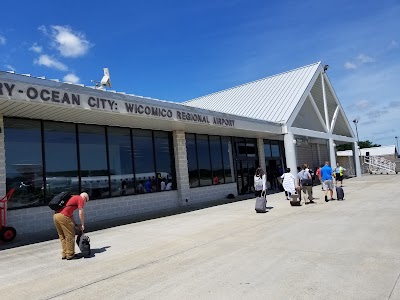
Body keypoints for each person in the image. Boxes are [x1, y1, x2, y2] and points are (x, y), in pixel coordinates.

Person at [53, 192, 89, 260]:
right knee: (70, 235)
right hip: (63, 216)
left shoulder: (71, 197)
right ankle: (70, 255)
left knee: (62, 236)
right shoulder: (80, 198)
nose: (85, 203)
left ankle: (64, 254)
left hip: (56, 216)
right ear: (84, 197)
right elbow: (81, 213)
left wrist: (75, 225)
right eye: (86, 201)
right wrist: (82, 224)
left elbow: (70, 215)